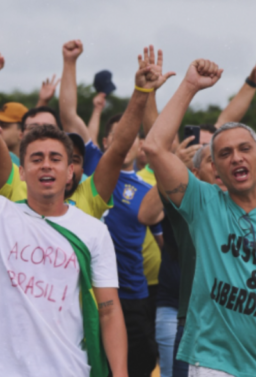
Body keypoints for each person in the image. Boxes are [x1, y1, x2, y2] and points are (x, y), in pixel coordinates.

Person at [143, 58, 256, 377]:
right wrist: (188, 86)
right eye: (225, 154)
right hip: (213, 363)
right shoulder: (204, 205)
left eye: (244, 149)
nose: (236, 158)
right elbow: (155, 147)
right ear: (213, 169)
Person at [0, 120, 128, 377]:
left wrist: (121, 373)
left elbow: (109, 311)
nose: (46, 165)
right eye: (36, 159)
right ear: (22, 172)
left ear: (70, 171)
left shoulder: (93, 231)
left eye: (55, 158)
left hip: (68, 369)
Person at [59, 43, 168, 376]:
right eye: (117, 134)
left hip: (132, 291)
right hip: (88, 289)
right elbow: (68, 114)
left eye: (132, 133)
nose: (125, 138)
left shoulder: (150, 190)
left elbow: (163, 243)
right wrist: (70, 62)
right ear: (106, 142)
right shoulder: (94, 169)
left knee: (138, 363)